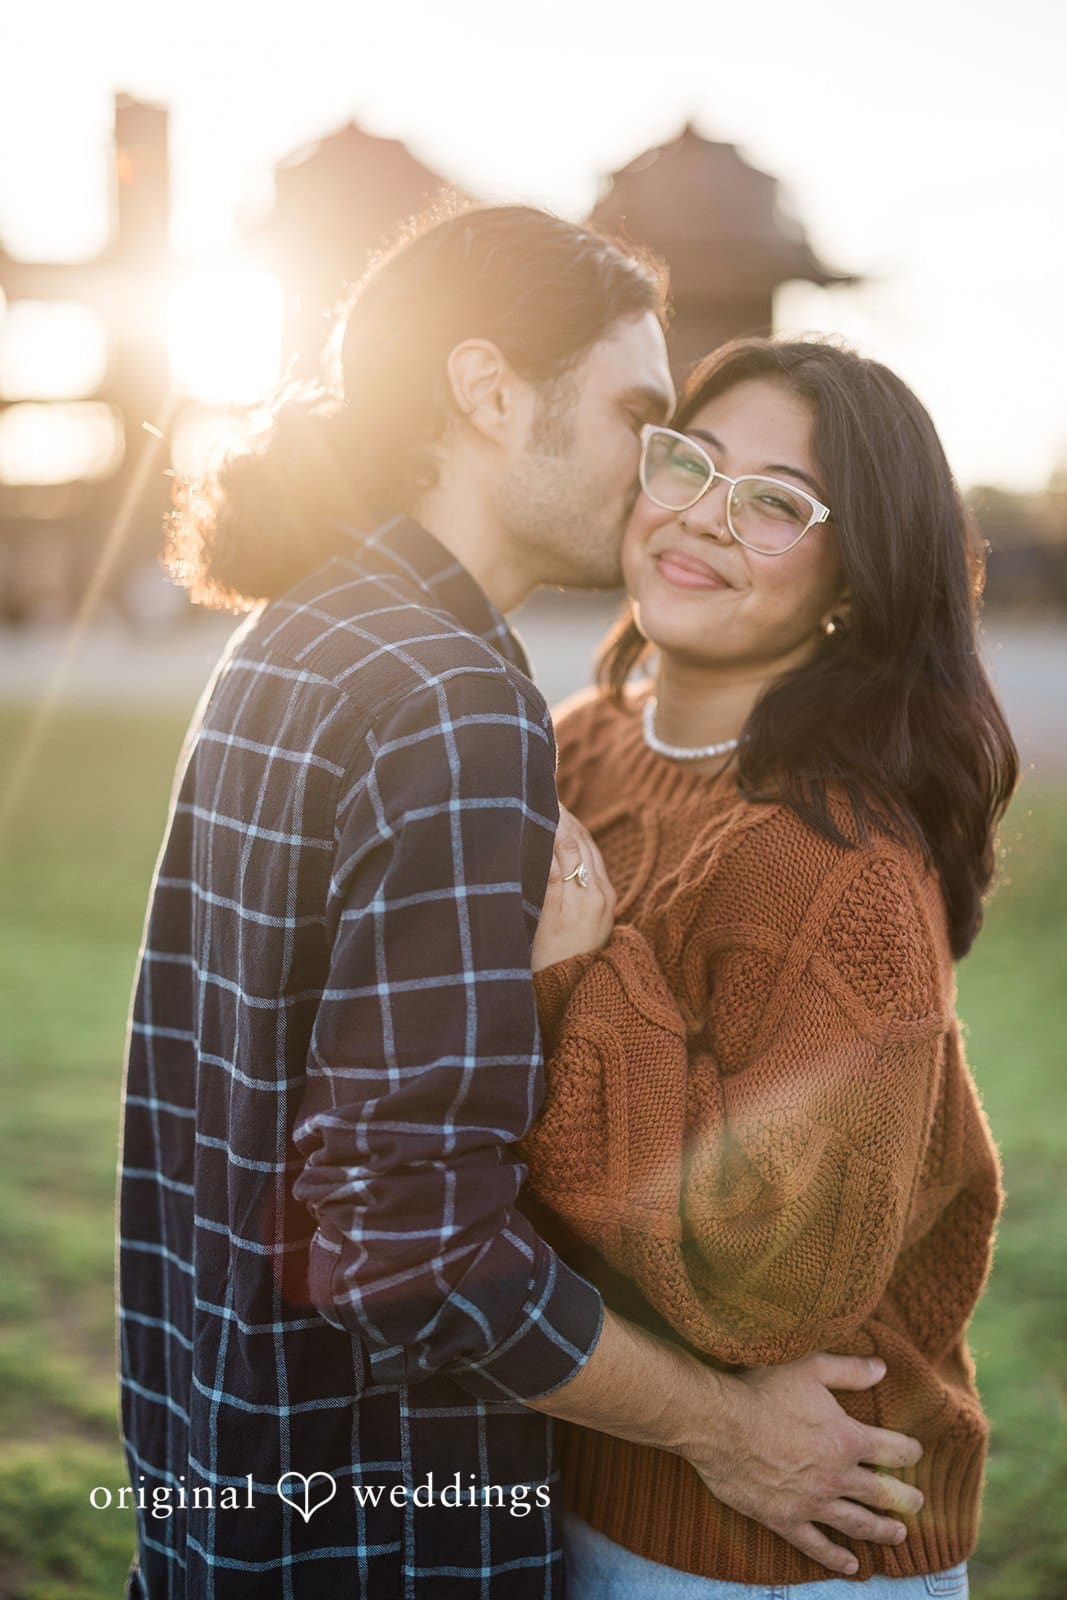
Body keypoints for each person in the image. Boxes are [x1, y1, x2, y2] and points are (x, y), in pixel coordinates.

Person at [118, 212, 925, 1599]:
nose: (654, 478)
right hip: (376, 1531)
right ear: (489, 392)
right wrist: (725, 1428)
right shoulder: (451, 702)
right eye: (638, 417)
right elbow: (411, 1247)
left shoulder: (302, 629)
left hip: (220, 1487)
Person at [520, 336, 1019, 1598]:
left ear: (854, 576)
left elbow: (777, 1284)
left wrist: (584, 976)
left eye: (775, 501)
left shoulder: (831, 861)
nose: (702, 516)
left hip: (769, 1541)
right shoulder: (573, 746)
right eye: (687, 462)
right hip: (577, 1469)